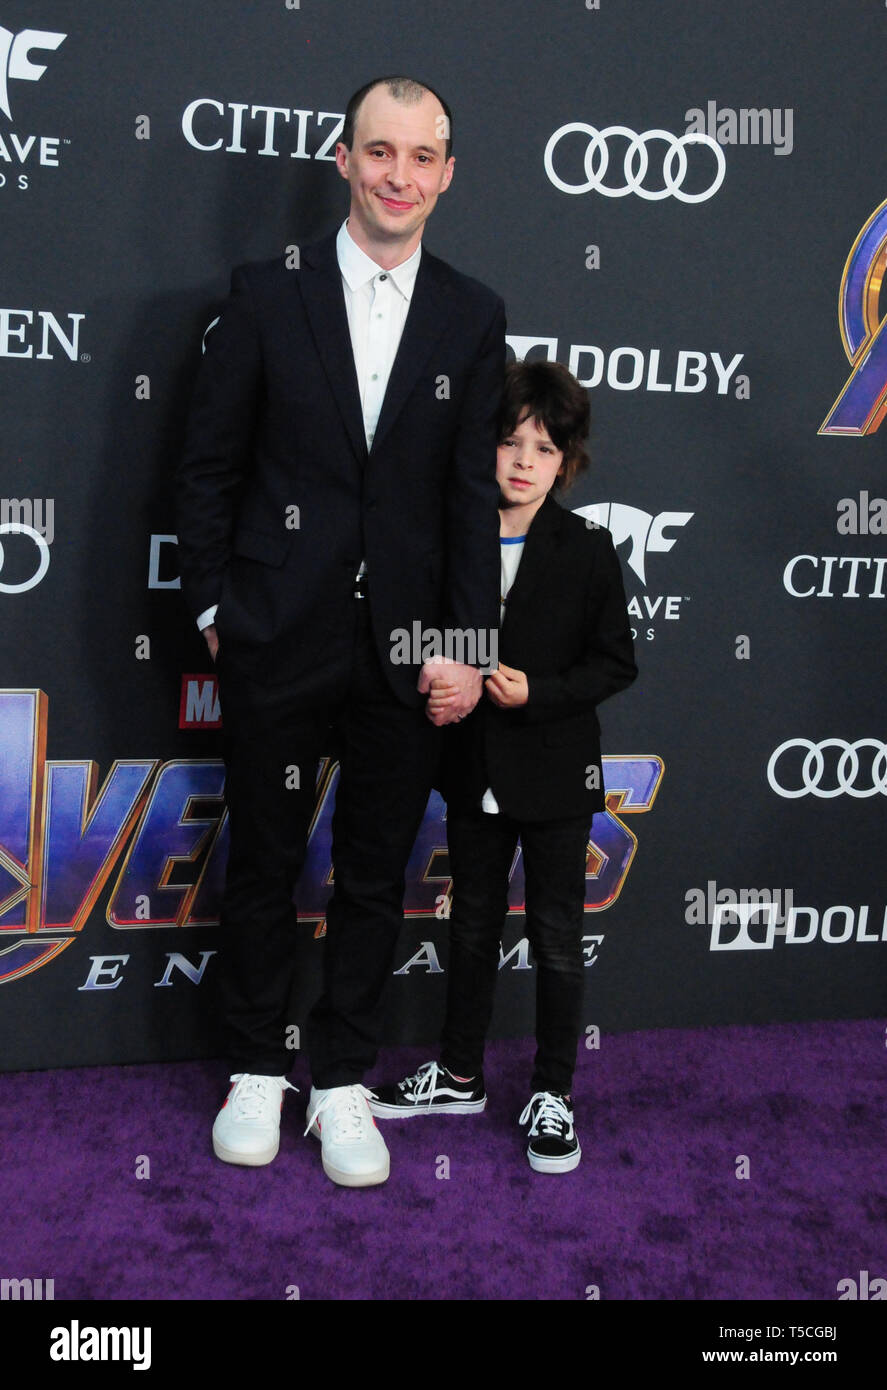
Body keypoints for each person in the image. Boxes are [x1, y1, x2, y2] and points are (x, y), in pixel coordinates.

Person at [175, 75, 505, 1186]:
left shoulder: (472, 313)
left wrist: (468, 640)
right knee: (265, 857)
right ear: (342, 159)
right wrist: (220, 607)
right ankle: (256, 1069)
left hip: (409, 647)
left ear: (447, 173)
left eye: (420, 157)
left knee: (374, 868)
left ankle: (342, 1079)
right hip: (279, 627)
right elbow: (208, 468)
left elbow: (470, 498)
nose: (398, 177)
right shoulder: (267, 295)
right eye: (379, 152)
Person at [369, 359, 637, 1173]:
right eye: (510, 441)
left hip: (555, 776)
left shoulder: (588, 549)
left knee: (556, 937)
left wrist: (539, 692)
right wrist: (463, 671)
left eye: (544, 448)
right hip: (471, 768)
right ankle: (458, 1074)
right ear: (484, 447)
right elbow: (420, 642)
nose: (524, 460)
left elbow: (614, 664)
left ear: (567, 463)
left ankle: (552, 1090)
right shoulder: (450, 542)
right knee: (472, 925)